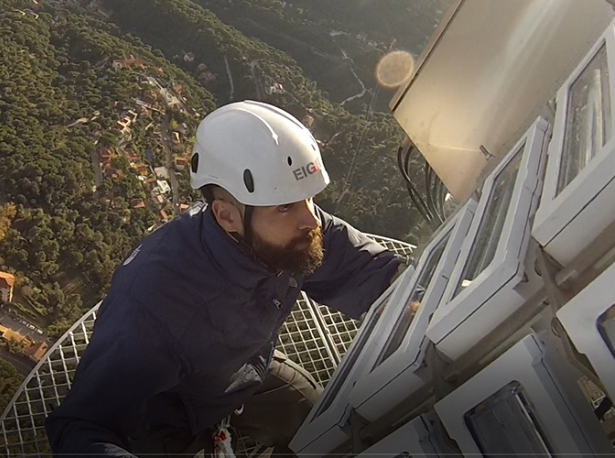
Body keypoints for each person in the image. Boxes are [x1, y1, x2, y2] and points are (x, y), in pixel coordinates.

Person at [45, 101, 403, 457]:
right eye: (285, 207)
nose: (311, 220)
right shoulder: (154, 304)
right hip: (163, 422)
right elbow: (83, 426)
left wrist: (414, 296)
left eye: (308, 199)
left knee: (319, 424)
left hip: (238, 374)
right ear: (227, 216)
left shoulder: (280, 232)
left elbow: (365, 270)